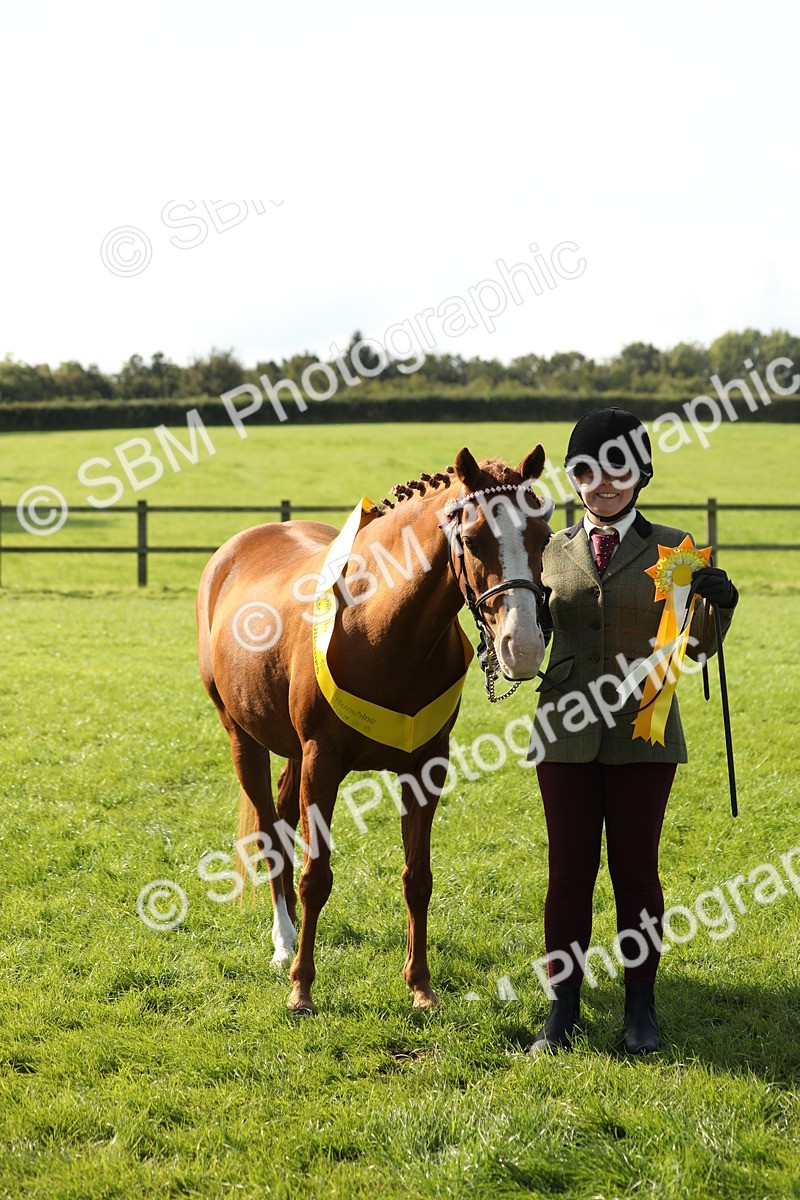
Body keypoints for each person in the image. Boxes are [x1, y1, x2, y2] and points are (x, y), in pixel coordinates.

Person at [529, 408, 738, 1055]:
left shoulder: (676, 550)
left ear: (641, 470)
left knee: (635, 870)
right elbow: (524, 639)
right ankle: (562, 1008)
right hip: (564, 736)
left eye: (618, 466)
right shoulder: (547, 551)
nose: (603, 482)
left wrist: (716, 607)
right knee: (568, 872)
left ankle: (640, 1008)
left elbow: (694, 653)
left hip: (644, 738)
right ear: (574, 476)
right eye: (587, 469)